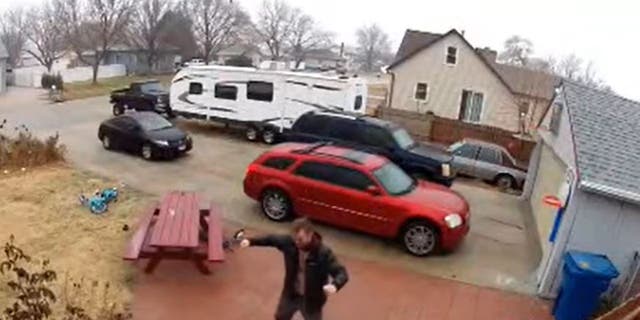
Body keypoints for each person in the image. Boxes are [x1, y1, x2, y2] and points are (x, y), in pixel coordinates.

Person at [240, 218, 348, 320]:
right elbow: (271, 239)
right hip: (291, 292)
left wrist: (335, 285)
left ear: (310, 234)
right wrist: (251, 241)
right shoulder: (289, 243)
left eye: (300, 239)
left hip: (312, 298)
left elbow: (341, 272)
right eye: (294, 239)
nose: (297, 243)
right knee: (281, 316)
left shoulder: (323, 253)